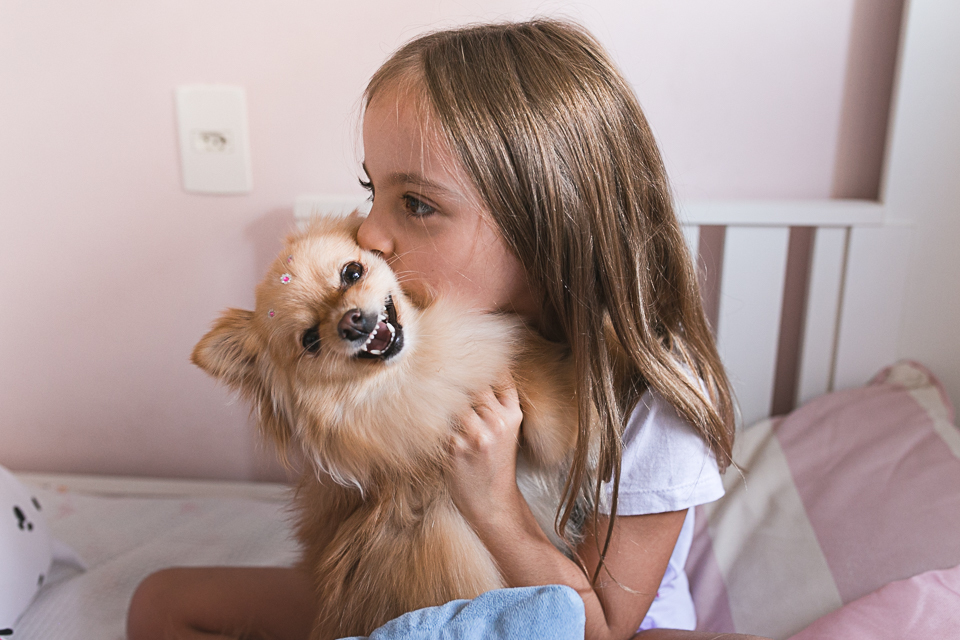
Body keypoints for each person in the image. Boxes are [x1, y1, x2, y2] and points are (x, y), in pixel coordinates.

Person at [128, 19, 768, 640]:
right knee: (160, 604)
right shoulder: (419, 328)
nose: (371, 233)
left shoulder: (653, 394)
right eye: (371, 188)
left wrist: (493, 503)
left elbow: (598, 627)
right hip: (425, 595)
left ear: (545, 229)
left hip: (573, 620)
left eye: (416, 204)